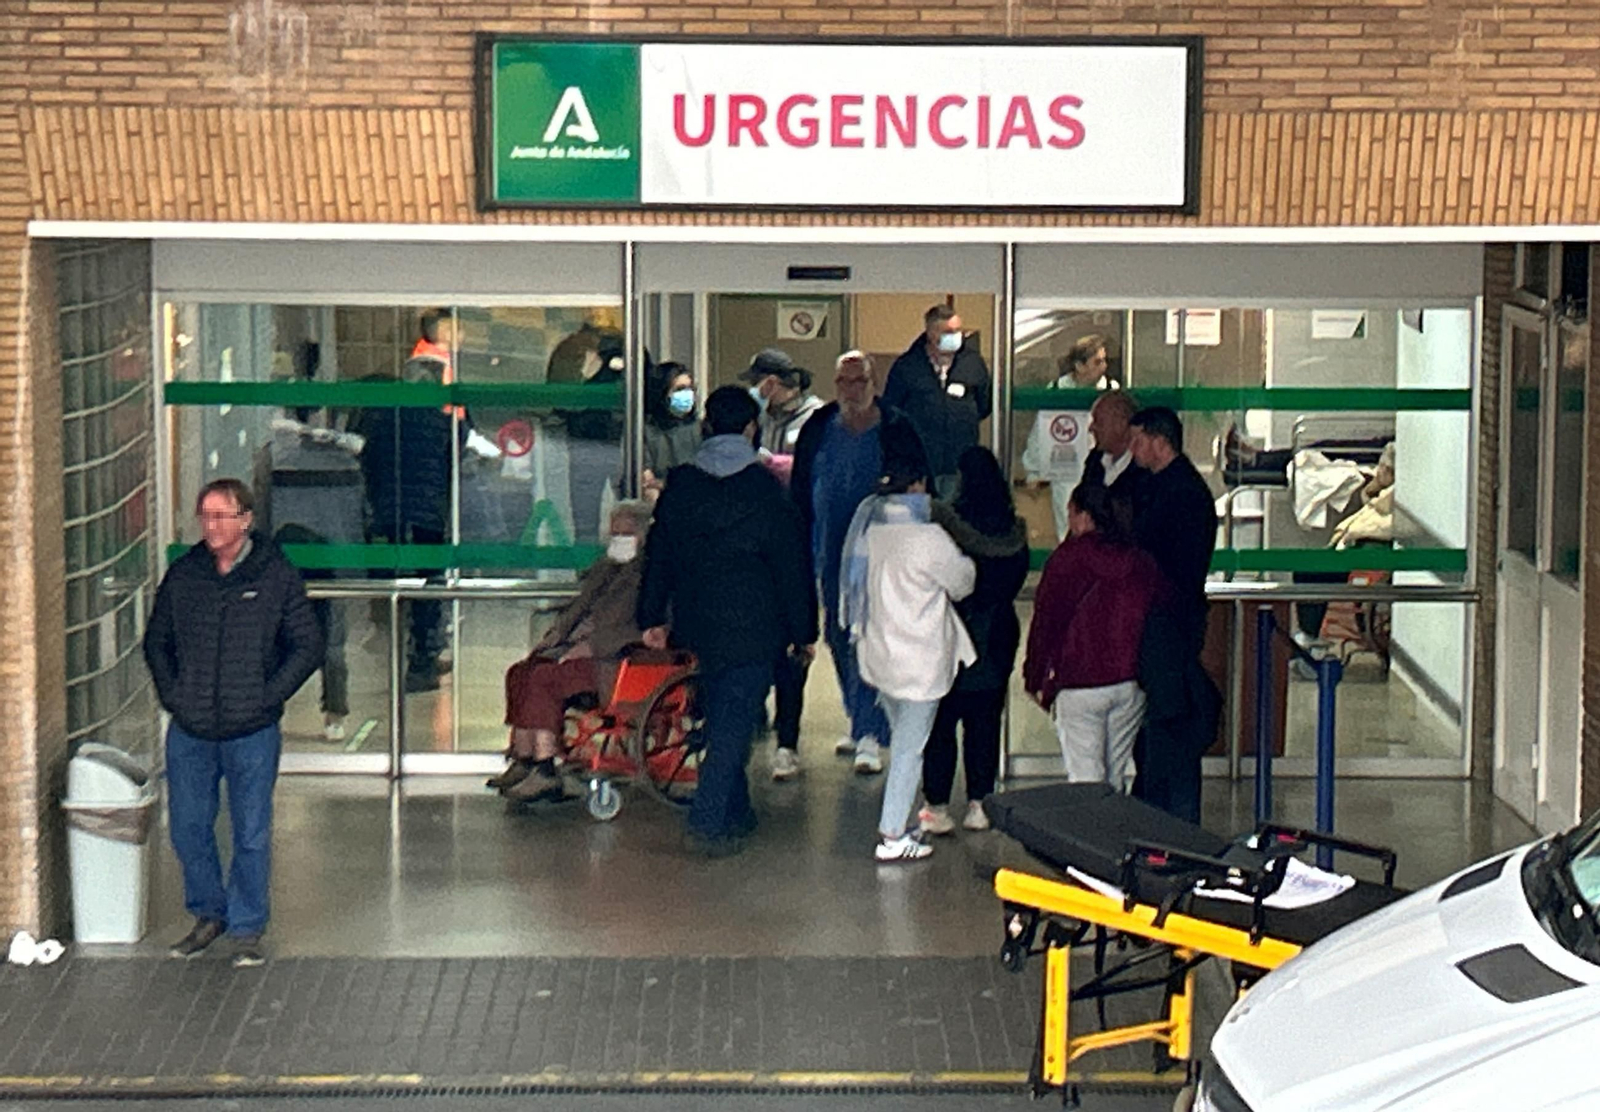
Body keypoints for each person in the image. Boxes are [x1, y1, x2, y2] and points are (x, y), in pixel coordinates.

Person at [143, 479, 323, 968]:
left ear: (246, 520)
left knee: (251, 832)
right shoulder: (185, 575)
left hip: (252, 730)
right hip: (192, 729)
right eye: (205, 516)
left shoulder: (275, 575)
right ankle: (208, 913)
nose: (212, 526)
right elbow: (156, 641)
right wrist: (175, 696)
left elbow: (307, 644)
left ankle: (247, 927)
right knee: (187, 828)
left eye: (222, 516)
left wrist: (268, 695)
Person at [637, 386, 817, 856]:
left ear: (705, 426)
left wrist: (651, 616)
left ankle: (737, 811)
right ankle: (708, 821)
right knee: (734, 722)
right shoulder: (767, 491)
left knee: (721, 715)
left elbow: (660, 556)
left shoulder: (682, 487)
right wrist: (803, 631)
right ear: (752, 428)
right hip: (756, 624)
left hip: (697, 620)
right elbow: (791, 567)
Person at [790, 351, 928, 777]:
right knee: (838, 632)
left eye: (860, 381)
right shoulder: (819, 427)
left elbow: (919, 486)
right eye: (844, 382)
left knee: (869, 635)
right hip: (831, 548)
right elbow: (801, 486)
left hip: (881, 551)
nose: (852, 390)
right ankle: (858, 716)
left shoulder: (897, 427)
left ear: (874, 383)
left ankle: (870, 730)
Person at [842, 445, 976, 863]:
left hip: (881, 658)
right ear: (918, 487)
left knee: (904, 739)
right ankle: (893, 834)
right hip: (920, 662)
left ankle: (901, 821)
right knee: (908, 750)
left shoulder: (871, 532)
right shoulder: (929, 538)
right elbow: (962, 582)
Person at [492, 502, 651, 802]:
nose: (617, 539)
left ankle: (545, 768)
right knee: (521, 672)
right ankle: (523, 757)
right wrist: (555, 637)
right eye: (614, 533)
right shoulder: (605, 567)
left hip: (614, 659)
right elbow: (578, 610)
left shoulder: (650, 575)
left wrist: (590, 646)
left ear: (642, 535)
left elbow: (645, 628)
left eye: (625, 533)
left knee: (544, 679)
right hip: (577, 646)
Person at [1024, 482, 1163, 790]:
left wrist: (1034, 677)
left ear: (1084, 517)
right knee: (1114, 776)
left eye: (1071, 514)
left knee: (1085, 779)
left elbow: (1047, 623)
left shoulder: (1067, 560)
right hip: (1129, 682)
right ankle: (1113, 821)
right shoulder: (1139, 561)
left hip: (1079, 682)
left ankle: (1092, 822)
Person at [919, 446, 1029, 835]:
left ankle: (936, 804)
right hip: (996, 633)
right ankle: (980, 801)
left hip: (950, 632)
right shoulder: (1014, 531)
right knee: (985, 720)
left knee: (941, 722)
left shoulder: (948, 528)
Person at [1127, 406, 1222, 823]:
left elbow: (1159, 557)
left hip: (1171, 623)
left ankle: (1171, 821)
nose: (1132, 450)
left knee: (1170, 726)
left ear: (1159, 441)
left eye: (1138, 440)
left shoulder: (1180, 495)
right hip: (1169, 620)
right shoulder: (1163, 486)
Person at [355, 315, 457, 692]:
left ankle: (396, 650)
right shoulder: (441, 420)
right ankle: (423, 659)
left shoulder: (384, 417)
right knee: (430, 584)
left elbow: (368, 458)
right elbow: (458, 456)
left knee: (394, 582)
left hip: (389, 511)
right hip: (429, 513)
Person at [740, 349, 826, 777]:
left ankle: (787, 739)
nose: (757, 390)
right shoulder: (760, 419)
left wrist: (774, 464)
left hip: (796, 531)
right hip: (757, 539)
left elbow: (813, 470)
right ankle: (755, 713)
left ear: (775, 381)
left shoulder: (815, 418)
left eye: (761, 383)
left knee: (791, 649)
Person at [882, 304, 992, 497]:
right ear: (931, 334)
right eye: (949, 332)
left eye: (958, 330)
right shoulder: (908, 367)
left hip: (960, 464)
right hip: (921, 468)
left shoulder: (973, 364)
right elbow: (891, 411)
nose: (956, 336)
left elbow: (984, 404)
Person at [1022, 334, 1113, 539]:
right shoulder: (1057, 391)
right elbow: (1040, 433)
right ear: (1079, 366)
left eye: (1104, 360)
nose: (1104, 367)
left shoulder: (1110, 391)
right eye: (1097, 361)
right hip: (1065, 470)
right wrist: (1033, 471)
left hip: (1102, 469)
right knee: (1067, 527)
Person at [271, 524, 349, 743]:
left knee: (332, 655)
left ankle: (334, 715)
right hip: (288, 605)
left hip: (320, 600)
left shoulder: (321, 558)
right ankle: (269, 711)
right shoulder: (276, 558)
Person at [743, 348, 826, 460]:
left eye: (754, 382)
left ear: (771, 382)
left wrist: (774, 462)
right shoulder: (763, 417)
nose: (753, 388)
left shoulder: (815, 416)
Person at [642, 361, 701, 499]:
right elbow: (647, 480)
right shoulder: (645, 433)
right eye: (680, 389)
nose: (687, 394)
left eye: (690, 388)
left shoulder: (701, 428)